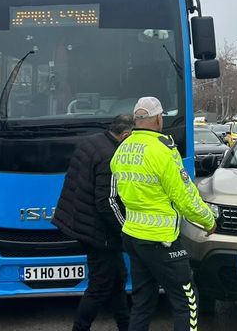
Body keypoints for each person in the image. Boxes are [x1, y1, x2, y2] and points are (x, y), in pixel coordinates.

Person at [111, 97, 216, 331]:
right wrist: (208, 220)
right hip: (162, 240)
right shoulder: (164, 150)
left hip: (133, 236)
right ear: (159, 119)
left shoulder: (123, 148)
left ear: (137, 120)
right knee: (186, 301)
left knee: (142, 302)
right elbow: (185, 196)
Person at [53, 114, 135, 331]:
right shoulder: (112, 156)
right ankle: (80, 328)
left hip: (82, 223)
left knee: (117, 279)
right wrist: (126, 229)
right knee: (100, 285)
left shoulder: (92, 141)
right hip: (99, 233)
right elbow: (106, 203)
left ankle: (126, 326)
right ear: (125, 135)